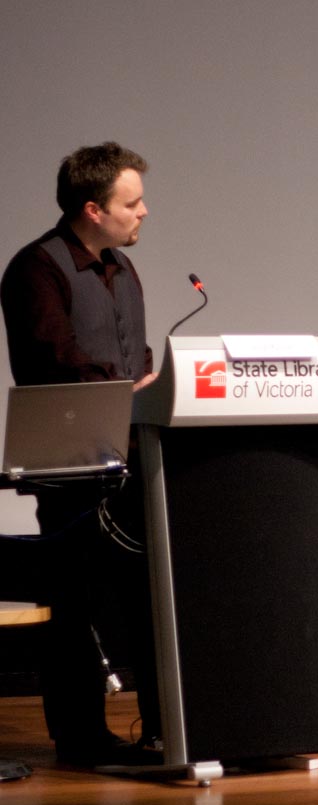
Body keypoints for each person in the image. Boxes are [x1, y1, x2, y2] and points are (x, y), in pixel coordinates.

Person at [1, 142, 161, 766]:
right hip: (68, 467)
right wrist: (128, 391)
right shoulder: (36, 269)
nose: (143, 211)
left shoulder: (123, 268)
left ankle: (163, 727)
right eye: (132, 202)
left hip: (129, 460)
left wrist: (150, 388)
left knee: (150, 594)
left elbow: (134, 351)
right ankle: (80, 739)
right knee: (74, 602)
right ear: (93, 209)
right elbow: (54, 360)